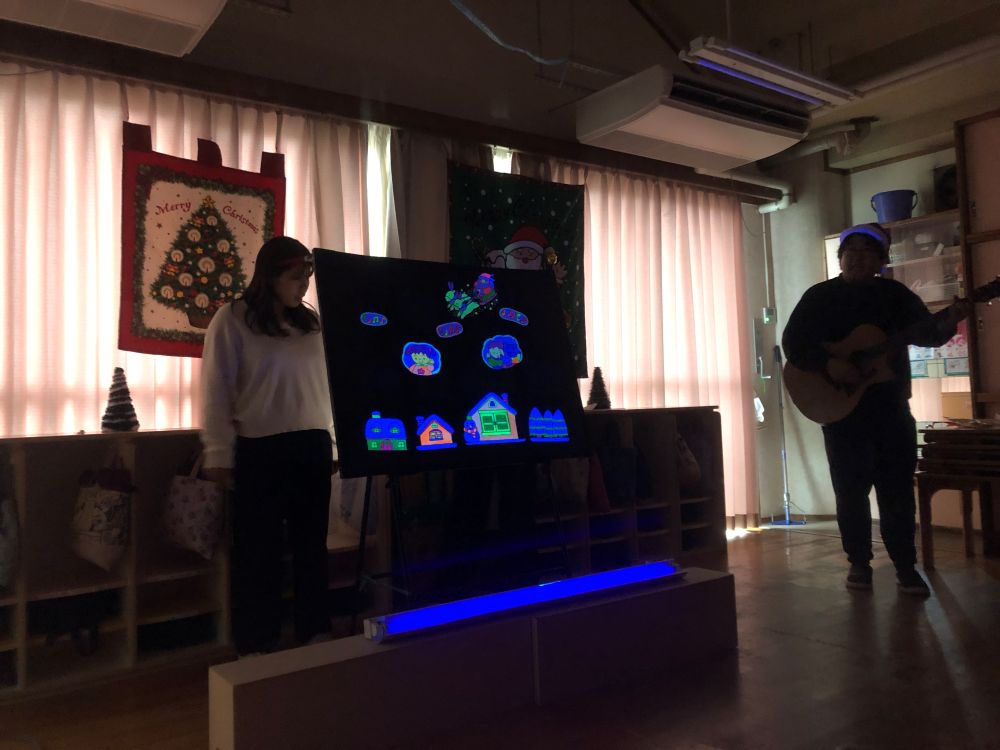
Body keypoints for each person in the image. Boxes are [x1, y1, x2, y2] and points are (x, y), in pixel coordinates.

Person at [782, 223, 972, 596]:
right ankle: (859, 564)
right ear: (841, 259)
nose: (857, 259)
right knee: (850, 492)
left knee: (897, 490)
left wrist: (952, 319)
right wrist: (831, 363)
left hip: (890, 406)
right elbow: (794, 345)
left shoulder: (896, 296)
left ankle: (905, 567)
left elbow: (927, 334)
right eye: (850, 252)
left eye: (867, 253)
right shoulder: (819, 297)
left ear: (881, 261)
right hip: (840, 409)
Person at [201, 236, 335, 655]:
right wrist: (218, 453)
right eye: (296, 277)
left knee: (311, 545)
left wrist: (332, 444)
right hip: (260, 449)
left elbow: (325, 387)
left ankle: (314, 629)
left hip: (311, 445)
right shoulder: (232, 319)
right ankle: (257, 641)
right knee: (259, 551)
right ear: (271, 276)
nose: (303, 285)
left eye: (307, 277)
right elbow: (216, 390)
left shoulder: (311, 324)